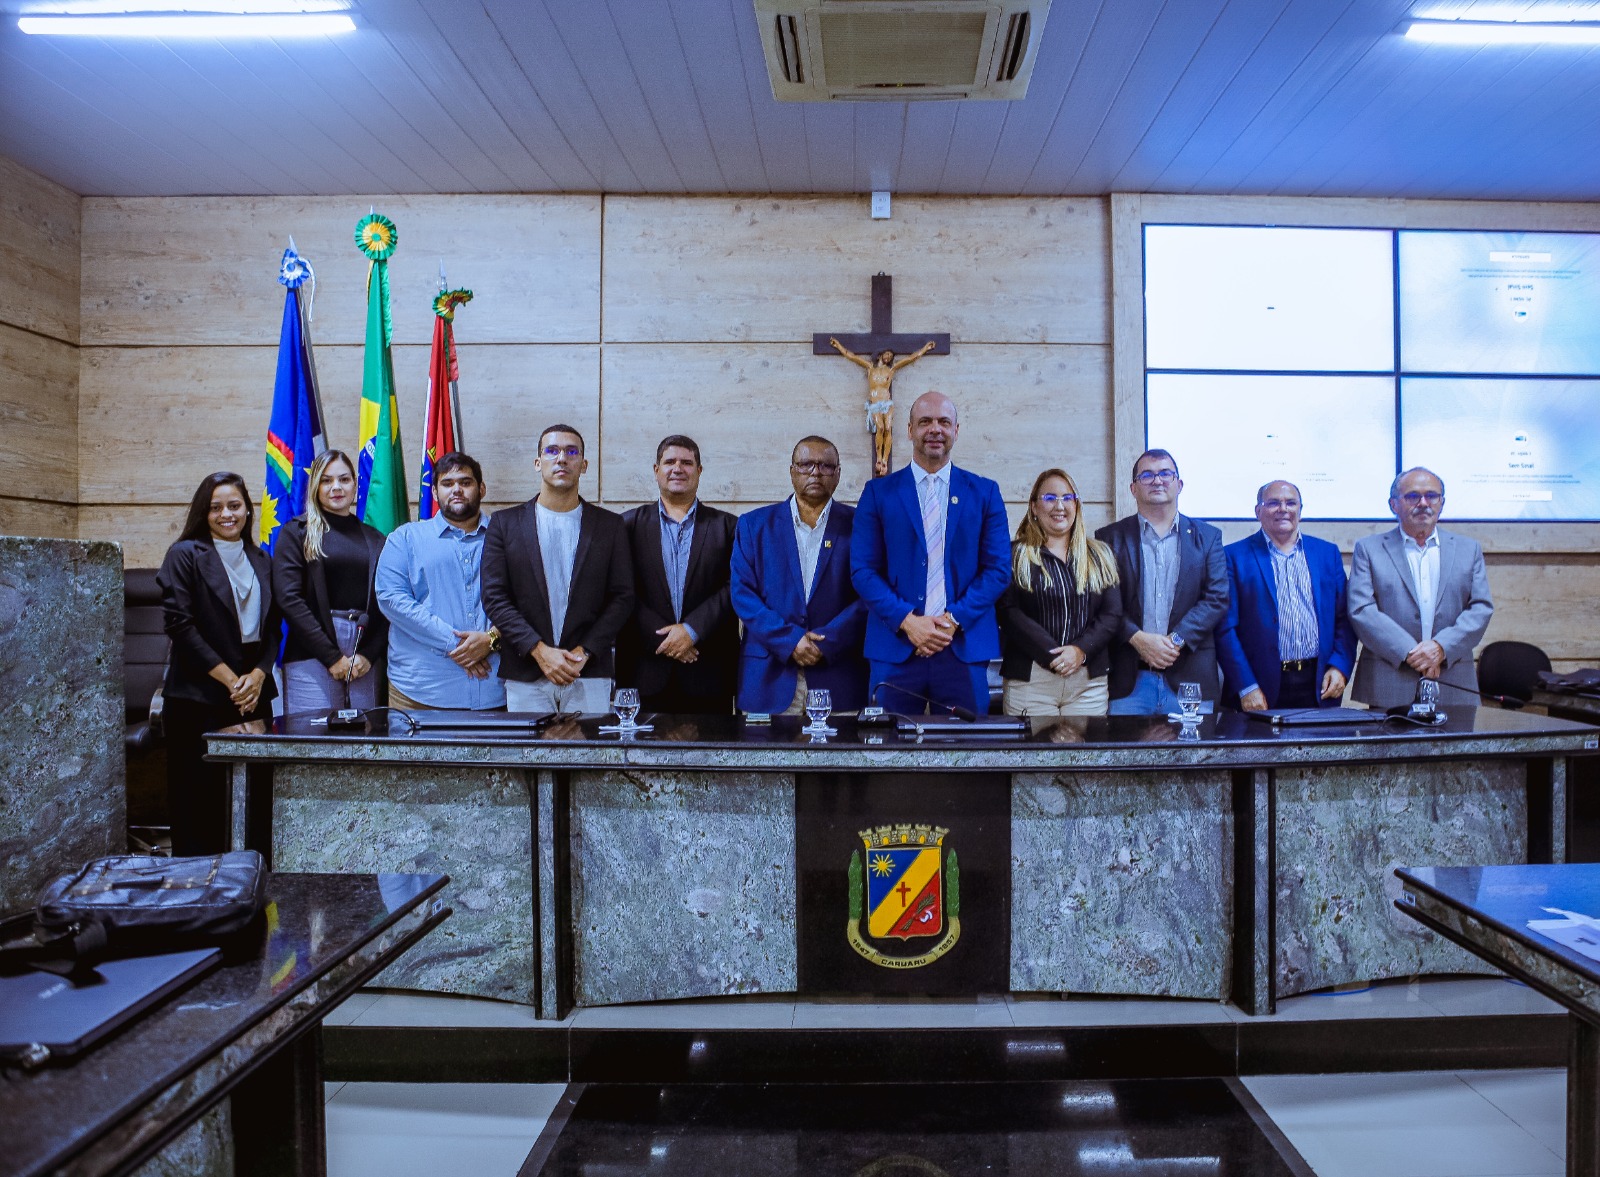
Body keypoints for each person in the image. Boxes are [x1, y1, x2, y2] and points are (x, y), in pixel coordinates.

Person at [850, 390, 1009, 716]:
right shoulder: (878, 493)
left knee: (968, 746)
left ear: (956, 431)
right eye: (925, 422)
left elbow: (997, 570)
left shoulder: (985, 492)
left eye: (944, 422)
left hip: (961, 646)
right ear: (910, 430)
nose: (935, 429)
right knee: (886, 745)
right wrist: (908, 622)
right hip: (895, 647)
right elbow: (863, 571)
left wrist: (951, 620)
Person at [157, 472, 279, 855]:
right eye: (216, 507)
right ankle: (197, 887)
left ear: (248, 510)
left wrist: (257, 676)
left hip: (253, 693)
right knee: (198, 804)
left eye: (234, 505)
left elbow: (274, 628)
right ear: (203, 513)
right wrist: (232, 682)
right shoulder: (184, 555)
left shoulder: (262, 559)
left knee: (256, 801)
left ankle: (251, 881)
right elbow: (180, 626)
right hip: (198, 693)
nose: (227, 514)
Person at [481, 424, 634, 713]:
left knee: (590, 745)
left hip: (587, 672)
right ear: (538, 463)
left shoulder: (610, 526)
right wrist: (539, 651)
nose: (562, 458)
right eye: (552, 451)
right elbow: (494, 596)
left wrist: (584, 652)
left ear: (584, 465)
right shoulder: (505, 524)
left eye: (571, 452)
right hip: (526, 671)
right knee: (529, 746)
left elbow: (622, 597)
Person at [730, 435, 868, 715]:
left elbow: (869, 594)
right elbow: (742, 594)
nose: (815, 472)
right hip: (769, 677)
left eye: (826, 466)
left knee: (840, 747)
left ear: (838, 473)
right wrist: (790, 640)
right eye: (806, 465)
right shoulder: (754, 525)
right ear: (792, 471)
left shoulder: (861, 525)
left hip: (838, 675)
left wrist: (827, 642)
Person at [1348, 466, 1494, 709]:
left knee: (1457, 736)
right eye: (1413, 496)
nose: (1423, 503)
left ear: (1442, 503)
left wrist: (1441, 648)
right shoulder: (1369, 549)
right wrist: (1410, 652)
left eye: (1432, 496)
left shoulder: (1469, 549)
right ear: (1394, 505)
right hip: (1390, 680)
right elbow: (1361, 609)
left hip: (1453, 679)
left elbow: (1481, 608)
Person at [1095, 449, 1228, 715]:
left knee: (1195, 745)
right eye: (1147, 475)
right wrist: (1137, 638)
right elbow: (1104, 601)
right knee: (1124, 745)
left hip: (1190, 682)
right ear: (1133, 488)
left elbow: (1217, 598)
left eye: (1165, 474)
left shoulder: (1208, 537)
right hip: (1128, 682)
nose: (1157, 480)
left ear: (1179, 484)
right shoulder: (1109, 538)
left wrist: (1176, 640)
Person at [375, 451, 505, 711]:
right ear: (434, 492)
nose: (456, 489)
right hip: (420, 691)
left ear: (481, 489)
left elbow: (528, 597)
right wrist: (460, 646)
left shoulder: (507, 537)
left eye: (465, 482)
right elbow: (392, 599)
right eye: (447, 483)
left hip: (497, 690)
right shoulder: (405, 539)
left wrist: (491, 639)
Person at [619, 435, 739, 715]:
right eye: (669, 462)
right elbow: (621, 591)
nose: (677, 468)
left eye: (686, 463)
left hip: (709, 673)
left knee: (712, 745)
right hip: (643, 674)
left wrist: (691, 630)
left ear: (699, 471)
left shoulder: (728, 527)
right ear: (656, 470)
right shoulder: (625, 526)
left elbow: (735, 586)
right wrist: (667, 638)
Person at [1216, 480, 1356, 711]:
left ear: (1300, 509)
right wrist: (1246, 686)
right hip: (1258, 688)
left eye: (1290, 503)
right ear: (1258, 511)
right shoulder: (1233, 556)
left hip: (1319, 683)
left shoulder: (1326, 553)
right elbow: (1225, 628)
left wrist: (1340, 666)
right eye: (1273, 503)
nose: (1283, 509)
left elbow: (1344, 618)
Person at [271, 448, 388, 714]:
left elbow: (387, 603)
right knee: (312, 734)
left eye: (344, 479)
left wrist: (369, 654)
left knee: (365, 733)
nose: (336, 487)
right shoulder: (296, 533)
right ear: (315, 486)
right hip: (312, 651)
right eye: (326, 480)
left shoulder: (375, 539)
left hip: (363, 657)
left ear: (355, 485)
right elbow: (289, 599)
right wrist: (332, 657)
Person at [1000, 468, 1123, 717]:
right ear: (1034, 507)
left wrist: (1080, 651)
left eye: (1068, 498)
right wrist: (1052, 655)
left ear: (1076, 505)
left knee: (1086, 745)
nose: (1059, 505)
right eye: (1050, 498)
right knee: (1032, 745)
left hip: (1087, 683)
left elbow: (1111, 615)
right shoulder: (1013, 555)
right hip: (1030, 681)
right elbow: (1008, 612)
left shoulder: (1100, 555)